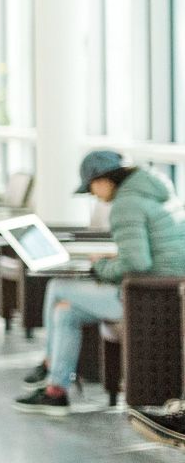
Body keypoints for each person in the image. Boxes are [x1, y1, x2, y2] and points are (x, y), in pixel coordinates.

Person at [15, 149, 185, 412]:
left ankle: (49, 363)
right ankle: (56, 391)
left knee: (57, 287)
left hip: (144, 297)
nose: (94, 195)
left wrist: (101, 266)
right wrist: (112, 260)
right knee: (66, 313)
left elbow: (138, 264)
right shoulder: (157, 193)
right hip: (169, 293)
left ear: (105, 179)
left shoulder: (126, 204)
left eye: (92, 187)